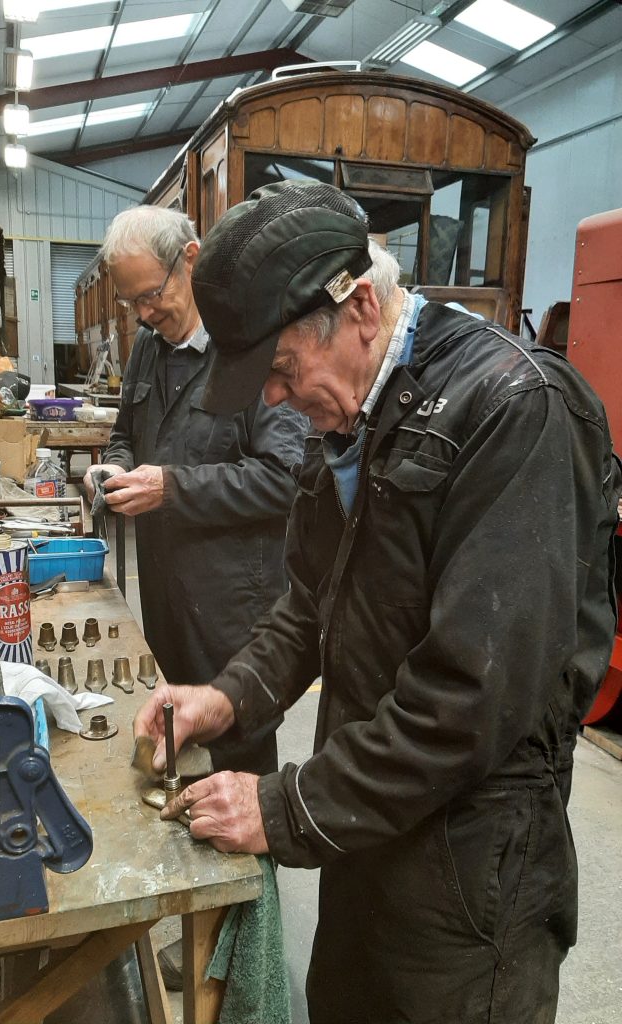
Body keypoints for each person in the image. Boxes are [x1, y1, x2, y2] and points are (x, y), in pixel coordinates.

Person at [134, 180, 622, 1024]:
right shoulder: (354, 416)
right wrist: (226, 696)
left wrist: (283, 806)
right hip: (367, 828)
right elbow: (308, 603)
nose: (276, 400)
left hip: (470, 876)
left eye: (282, 369)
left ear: (360, 305)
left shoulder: (514, 412)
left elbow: (471, 698)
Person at [84, 204, 306, 777]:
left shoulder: (251, 349)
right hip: (165, 601)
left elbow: (285, 478)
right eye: (131, 302)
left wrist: (172, 488)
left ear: (190, 260)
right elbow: (124, 437)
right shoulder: (148, 349)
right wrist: (112, 469)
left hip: (233, 615)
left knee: (236, 761)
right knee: (174, 746)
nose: (144, 312)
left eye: (152, 294)